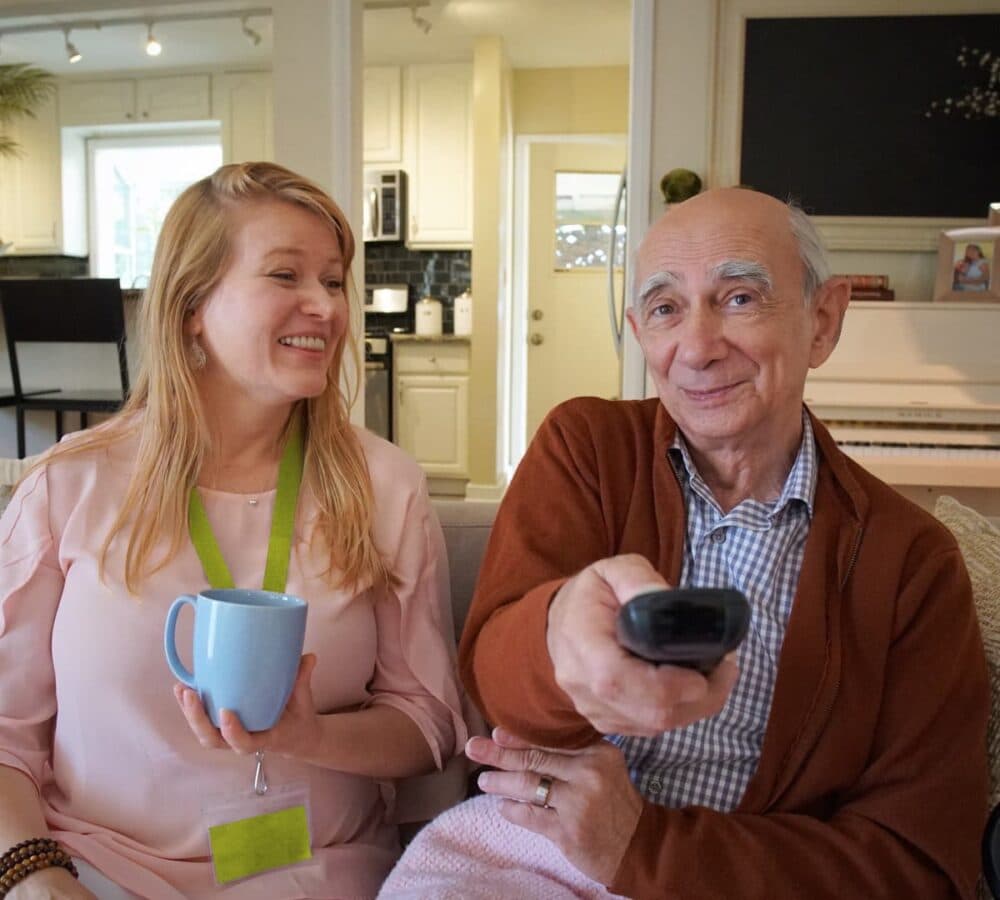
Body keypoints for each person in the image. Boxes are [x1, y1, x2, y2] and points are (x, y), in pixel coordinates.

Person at [379, 188, 988, 899]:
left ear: (823, 322)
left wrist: (644, 846)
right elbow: (495, 676)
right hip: (529, 860)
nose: (696, 349)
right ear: (640, 332)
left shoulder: (913, 562)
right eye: (667, 308)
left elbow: (919, 863)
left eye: (738, 298)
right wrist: (556, 633)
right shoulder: (588, 450)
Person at [0, 162, 468, 899]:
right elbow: (5, 734)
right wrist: (33, 876)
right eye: (285, 276)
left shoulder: (385, 487)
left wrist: (309, 735)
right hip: (96, 869)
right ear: (192, 305)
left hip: (316, 871)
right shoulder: (69, 485)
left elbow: (430, 726)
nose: (324, 305)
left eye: (335, 280)